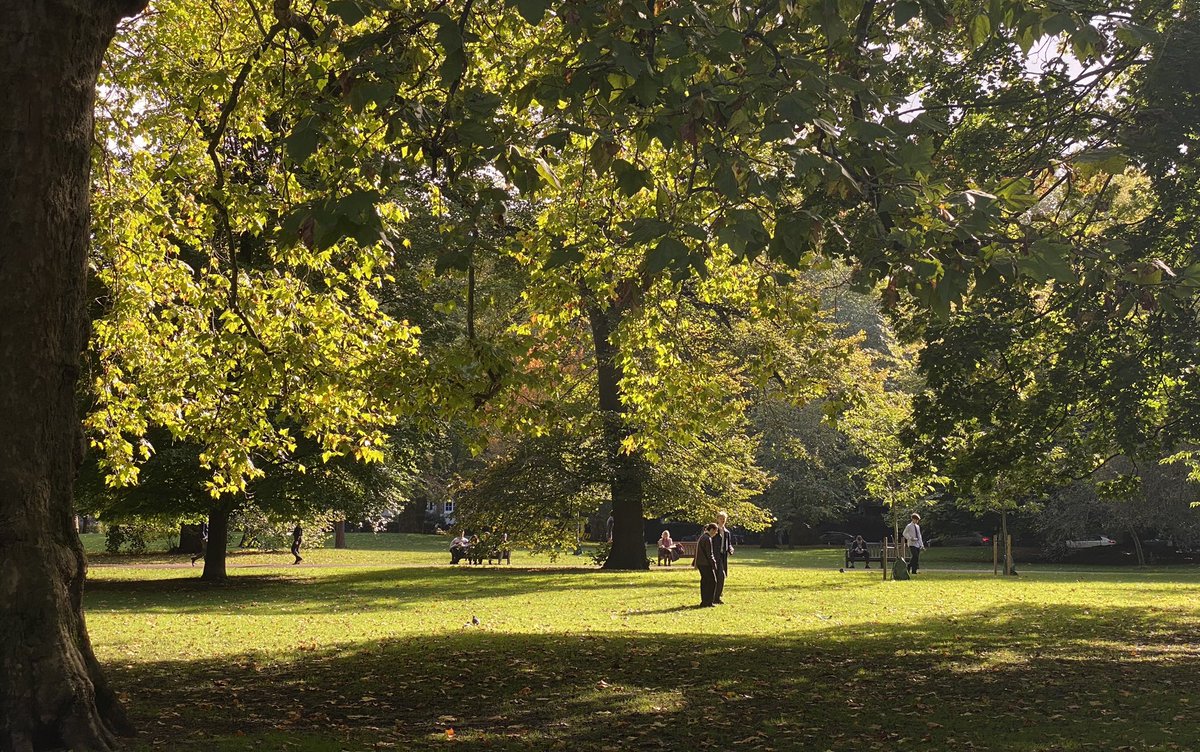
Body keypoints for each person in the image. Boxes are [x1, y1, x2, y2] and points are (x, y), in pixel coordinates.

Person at [693, 524, 720, 607]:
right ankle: (708, 602)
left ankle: (704, 601)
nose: (716, 533)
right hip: (706, 564)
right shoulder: (708, 538)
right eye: (715, 531)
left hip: (701, 563)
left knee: (705, 582)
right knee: (712, 582)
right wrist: (714, 563)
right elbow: (710, 553)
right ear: (711, 529)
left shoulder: (703, 537)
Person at [712, 511, 734, 604]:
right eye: (721, 518)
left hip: (723, 556)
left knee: (722, 576)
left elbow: (728, 544)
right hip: (714, 556)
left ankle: (717, 597)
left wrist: (730, 549)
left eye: (724, 519)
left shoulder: (727, 532)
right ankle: (714, 597)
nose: (723, 520)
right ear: (717, 519)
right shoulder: (713, 530)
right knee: (717, 576)